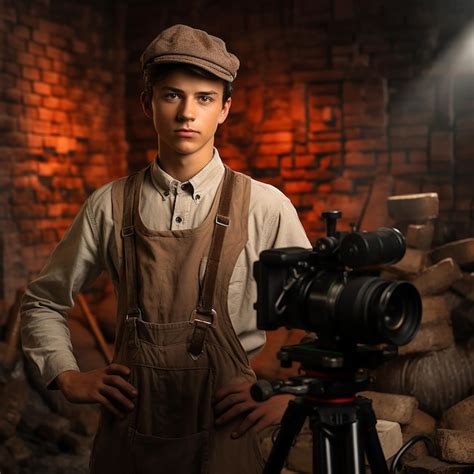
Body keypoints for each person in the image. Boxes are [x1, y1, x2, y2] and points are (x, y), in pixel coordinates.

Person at [21, 24, 311, 473]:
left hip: (227, 434)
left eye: (205, 98)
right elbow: (42, 300)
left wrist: (293, 396)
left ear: (225, 109)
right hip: (129, 438)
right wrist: (67, 375)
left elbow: (323, 317)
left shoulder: (266, 206)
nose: (187, 114)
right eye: (172, 96)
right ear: (147, 104)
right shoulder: (109, 204)